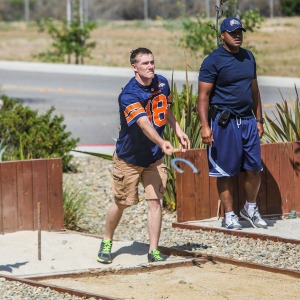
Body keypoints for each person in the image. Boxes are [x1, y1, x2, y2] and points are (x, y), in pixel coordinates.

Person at [97, 47, 190, 264]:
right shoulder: (128, 95)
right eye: (145, 63)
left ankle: (153, 250)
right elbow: (143, 123)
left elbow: (164, 109)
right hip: (128, 158)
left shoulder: (162, 83)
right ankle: (107, 240)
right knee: (121, 202)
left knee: (155, 202)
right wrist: (162, 141)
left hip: (153, 158)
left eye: (152, 62)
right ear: (134, 68)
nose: (150, 67)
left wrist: (177, 129)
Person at [197, 17, 267, 230]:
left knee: (254, 168)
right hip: (224, 124)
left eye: (240, 32)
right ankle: (230, 215)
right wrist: (205, 125)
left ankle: (250, 208)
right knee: (225, 171)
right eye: (232, 32)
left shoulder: (248, 57)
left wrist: (259, 119)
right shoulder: (213, 61)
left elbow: (254, 91)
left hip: (247, 121)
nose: (237, 36)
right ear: (222, 35)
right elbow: (203, 97)